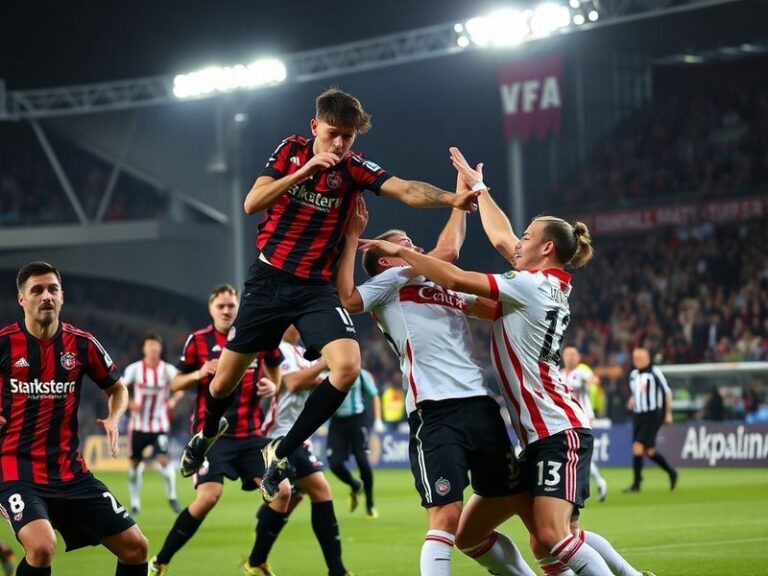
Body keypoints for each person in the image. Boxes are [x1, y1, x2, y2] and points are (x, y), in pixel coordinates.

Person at [359, 148, 657, 576]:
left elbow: (455, 274)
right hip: (535, 431)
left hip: (557, 426)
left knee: (554, 535)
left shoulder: (529, 288)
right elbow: (500, 239)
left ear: (546, 249)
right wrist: (479, 190)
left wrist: (403, 253)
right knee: (524, 535)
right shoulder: (541, 284)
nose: (516, 243)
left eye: (527, 239)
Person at [178, 87, 481, 504]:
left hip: (314, 288)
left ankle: (281, 451)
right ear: (315, 126)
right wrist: (304, 172)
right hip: (269, 280)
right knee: (223, 381)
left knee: (347, 366)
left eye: (349, 137)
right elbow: (251, 203)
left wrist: (453, 199)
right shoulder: (290, 151)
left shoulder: (355, 169)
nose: (340, 144)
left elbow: (406, 189)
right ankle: (208, 433)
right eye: (334, 134)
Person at [338, 197, 536, 576]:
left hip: (480, 406)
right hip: (436, 412)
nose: (414, 248)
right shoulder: (388, 284)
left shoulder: (441, 283)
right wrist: (460, 202)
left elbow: (494, 308)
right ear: (385, 260)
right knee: (446, 516)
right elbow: (349, 297)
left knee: (520, 502)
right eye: (405, 244)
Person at [0, 261, 148, 576]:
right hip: (16, 471)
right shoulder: (4, 343)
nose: (46, 296)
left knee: (137, 548)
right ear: (22, 299)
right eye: (37, 290)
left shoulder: (81, 344)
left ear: (62, 296)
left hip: (71, 473)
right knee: (41, 548)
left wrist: (114, 417)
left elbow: (118, 388)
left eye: (53, 289)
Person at [148, 284, 288, 576]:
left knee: (284, 492)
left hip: (251, 434)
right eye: (220, 306)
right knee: (209, 497)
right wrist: (199, 373)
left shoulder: (257, 333)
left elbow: (275, 365)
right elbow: (174, 383)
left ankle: (256, 561)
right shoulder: (198, 341)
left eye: (231, 306)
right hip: (212, 436)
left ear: (238, 308)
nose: (226, 311)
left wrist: (273, 385)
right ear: (211, 309)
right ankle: (160, 561)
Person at [256, 325, 352, 576]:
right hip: (277, 434)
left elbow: (311, 382)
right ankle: (256, 561)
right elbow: (292, 382)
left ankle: (337, 570)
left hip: (298, 437)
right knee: (293, 493)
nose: (297, 324)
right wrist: (324, 363)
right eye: (292, 320)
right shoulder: (278, 350)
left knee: (317, 492)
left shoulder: (300, 352)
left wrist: (333, 376)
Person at [122, 331, 183, 515]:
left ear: (160, 349)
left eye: (156, 345)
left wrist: (173, 401)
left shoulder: (168, 370)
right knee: (134, 465)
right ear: (144, 349)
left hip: (159, 426)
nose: (153, 348)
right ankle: (135, 503)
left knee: (164, 460)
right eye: (149, 345)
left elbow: (180, 387)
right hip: (138, 426)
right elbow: (121, 388)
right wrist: (130, 403)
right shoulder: (135, 369)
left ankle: (172, 497)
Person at [326, 367, 383, 519]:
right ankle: (355, 485)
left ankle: (370, 504)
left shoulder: (362, 374)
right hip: (337, 423)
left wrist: (378, 419)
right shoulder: (327, 374)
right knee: (334, 464)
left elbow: (374, 395)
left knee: (363, 462)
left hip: (357, 420)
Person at [624, 347, 678, 493]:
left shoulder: (655, 372)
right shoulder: (633, 375)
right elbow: (636, 393)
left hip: (653, 414)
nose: (637, 361)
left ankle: (636, 484)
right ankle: (671, 472)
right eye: (635, 358)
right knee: (649, 452)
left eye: (640, 358)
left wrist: (668, 413)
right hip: (638, 415)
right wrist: (631, 401)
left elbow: (667, 392)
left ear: (647, 358)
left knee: (637, 447)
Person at [560, 345, 608, 502]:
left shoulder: (582, 371)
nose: (570, 357)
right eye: (567, 354)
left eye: (573, 354)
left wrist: (588, 382)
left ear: (578, 356)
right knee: (574, 454)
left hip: (582, 417)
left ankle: (584, 486)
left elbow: (595, 380)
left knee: (578, 453)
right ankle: (596, 482)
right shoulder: (559, 374)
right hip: (565, 419)